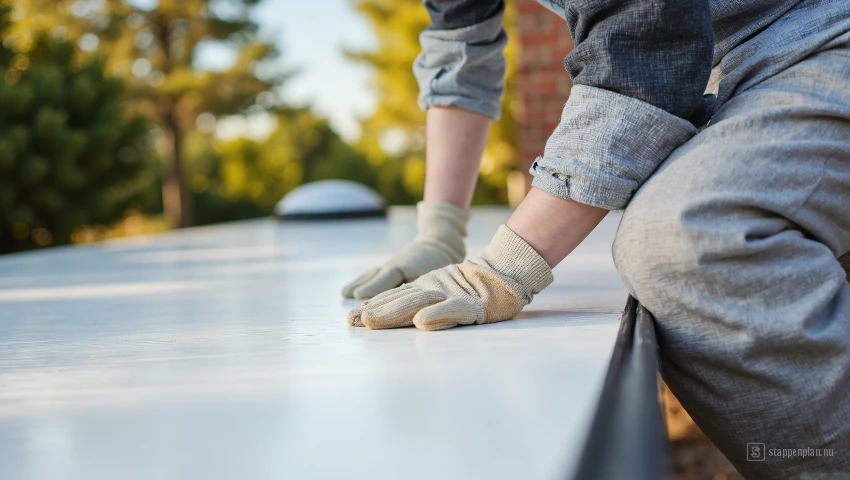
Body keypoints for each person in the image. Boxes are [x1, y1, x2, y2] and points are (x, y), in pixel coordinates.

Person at [343, 0, 850, 477]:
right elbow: (460, 48)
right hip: (730, 72)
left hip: (822, 35)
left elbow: (645, 49)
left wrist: (501, 269)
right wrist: (440, 231)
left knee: (686, 236)